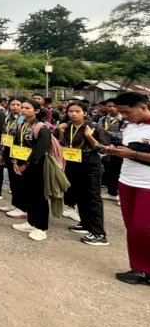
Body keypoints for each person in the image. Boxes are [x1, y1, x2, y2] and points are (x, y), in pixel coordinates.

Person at [104, 92, 150, 285]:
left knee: (143, 228)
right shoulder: (130, 127)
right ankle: (139, 269)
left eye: (126, 112)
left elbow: (133, 153)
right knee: (132, 227)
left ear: (143, 107)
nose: (123, 115)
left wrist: (132, 154)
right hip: (127, 181)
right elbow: (129, 152)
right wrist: (117, 151)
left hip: (147, 185)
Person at [56, 101, 110, 246]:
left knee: (93, 197)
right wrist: (60, 131)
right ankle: (85, 224)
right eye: (70, 111)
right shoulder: (66, 126)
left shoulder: (93, 127)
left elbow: (104, 148)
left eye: (77, 111)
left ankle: (99, 233)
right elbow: (62, 144)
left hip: (90, 164)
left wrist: (90, 137)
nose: (73, 113)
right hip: (72, 163)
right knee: (79, 195)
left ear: (85, 113)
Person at [11, 99, 52, 241]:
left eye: (27, 108)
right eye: (22, 107)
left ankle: (41, 227)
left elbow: (40, 149)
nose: (23, 110)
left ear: (36, 111)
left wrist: (26, 164)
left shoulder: (42, 127)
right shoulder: (21, 124)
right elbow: (16, 143)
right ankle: (30, 221)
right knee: (27, 193)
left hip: (36, 165)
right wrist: (16, 161)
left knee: (39, 196)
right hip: (21, 162)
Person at [0, 97, 27, 219]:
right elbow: (5, 134)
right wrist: (2, 153)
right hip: (8, 148)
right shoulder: (7, 117)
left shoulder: (22, 118)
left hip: (19, 150)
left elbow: (16, 131)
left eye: (18, 104)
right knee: (12, 179)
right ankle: (15, 204)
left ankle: (22, 207)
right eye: (13, 104)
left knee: (19, 180)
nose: (15, 107)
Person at [99, 99, 123, 202]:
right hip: (105, 146)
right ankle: (111, 192)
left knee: (119, 170)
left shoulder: (123, 120)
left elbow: (122, 134)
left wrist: (107, 133)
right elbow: (98, 130)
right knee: (108, 169)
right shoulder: (103, 119)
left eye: (114, 106)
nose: (112, 108)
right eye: (109, 106)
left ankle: (120, 194)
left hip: (119, 147)